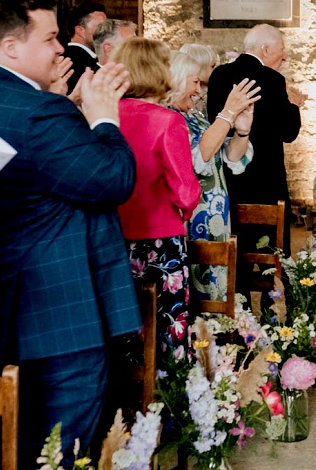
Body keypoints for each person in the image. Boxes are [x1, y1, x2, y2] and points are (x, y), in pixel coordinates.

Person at [0, 0, 136, 465]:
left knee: (0, 446)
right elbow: (113, 179)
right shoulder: (42, 113)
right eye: (50, 37)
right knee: (60, 451)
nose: (59, 49)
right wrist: (103, 118)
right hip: (59, 320)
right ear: (12, 47)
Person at [112, 38, 202, 367]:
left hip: (112, 239)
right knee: (167, 328)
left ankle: (123, 404)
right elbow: (185, 192)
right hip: (160, 240)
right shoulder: (166, 120)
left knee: (121, 328)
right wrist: (187, 209)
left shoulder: (105, 117)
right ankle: (168, 401)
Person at [168, 44, 256, 305]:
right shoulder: (170, 118)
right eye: (194, 82)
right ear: (174, 80)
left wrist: (242, 130)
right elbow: (200, 156)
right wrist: (227, 113)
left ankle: (214, 336)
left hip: (216, 215)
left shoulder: (194, 117)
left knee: (216, 291)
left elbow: (231, 157)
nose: (198, 90)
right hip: (192, 217)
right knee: (196, 292)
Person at [206, 25, 303, 249]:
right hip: (266, 181)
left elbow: (215, 122)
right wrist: (294, 106)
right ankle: (272, 279)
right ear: (266, 49)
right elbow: (288, 133)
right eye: (282, 49)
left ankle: (235, 281)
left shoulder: (219, 75)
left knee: (236, 249)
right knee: (270, 248)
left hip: (228, 179)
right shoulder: (273, 80)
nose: (285, 56)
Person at [60, 4, 105, 94]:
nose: (106, 31)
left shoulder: (70, 55)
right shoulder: (78, 62)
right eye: (100, 27)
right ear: (80, 30)